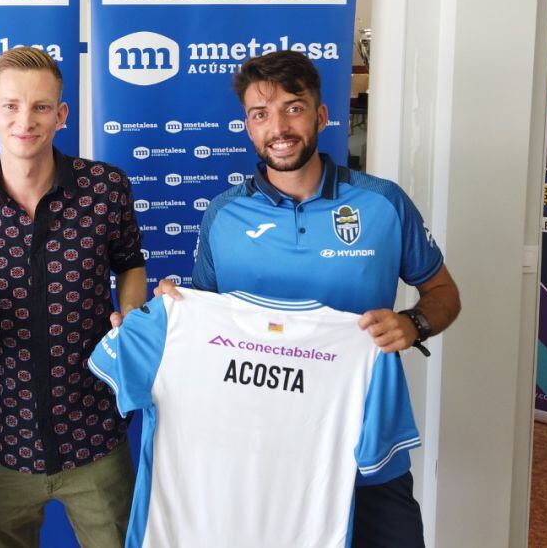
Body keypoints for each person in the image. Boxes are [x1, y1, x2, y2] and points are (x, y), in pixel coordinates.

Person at [157, 49, 461, 548]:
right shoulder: (223, 215)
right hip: (258, 449)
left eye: (293, 108)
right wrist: (175, 308)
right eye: (261, 114)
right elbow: (206, 326)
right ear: (249, 127)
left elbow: (444, 293)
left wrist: (414, 325)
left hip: (367, 442)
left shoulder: (383, 203)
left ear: (320, 115)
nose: (278, 127)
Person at [0, 47, 147, 548]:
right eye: (10, 106)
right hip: (0, 438)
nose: (24, 120)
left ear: (61, 114)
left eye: (40, 106)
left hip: (96, 432)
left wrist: (132, 321)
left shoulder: (106, 189)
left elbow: (130, 264)